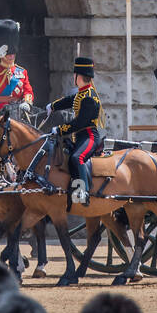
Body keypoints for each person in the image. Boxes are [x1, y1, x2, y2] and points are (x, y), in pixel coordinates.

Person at [48, 56, 104, 206]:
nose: (73, 77)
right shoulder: (82, 93)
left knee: (77, 158)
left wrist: (60, 130)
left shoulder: (90, 97)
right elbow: (70, 100)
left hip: (89, 136)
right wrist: (52, 106)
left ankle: (84, 192)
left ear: (79, 76)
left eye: (75, 74)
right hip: (78, 136)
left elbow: (80, 122)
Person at [0, 19, 32, 125]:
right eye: (8, 54)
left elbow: (28, 91)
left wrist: (27, 102)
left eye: (13, 53)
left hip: (17, 113)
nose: (11, 56)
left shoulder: (22, 72)